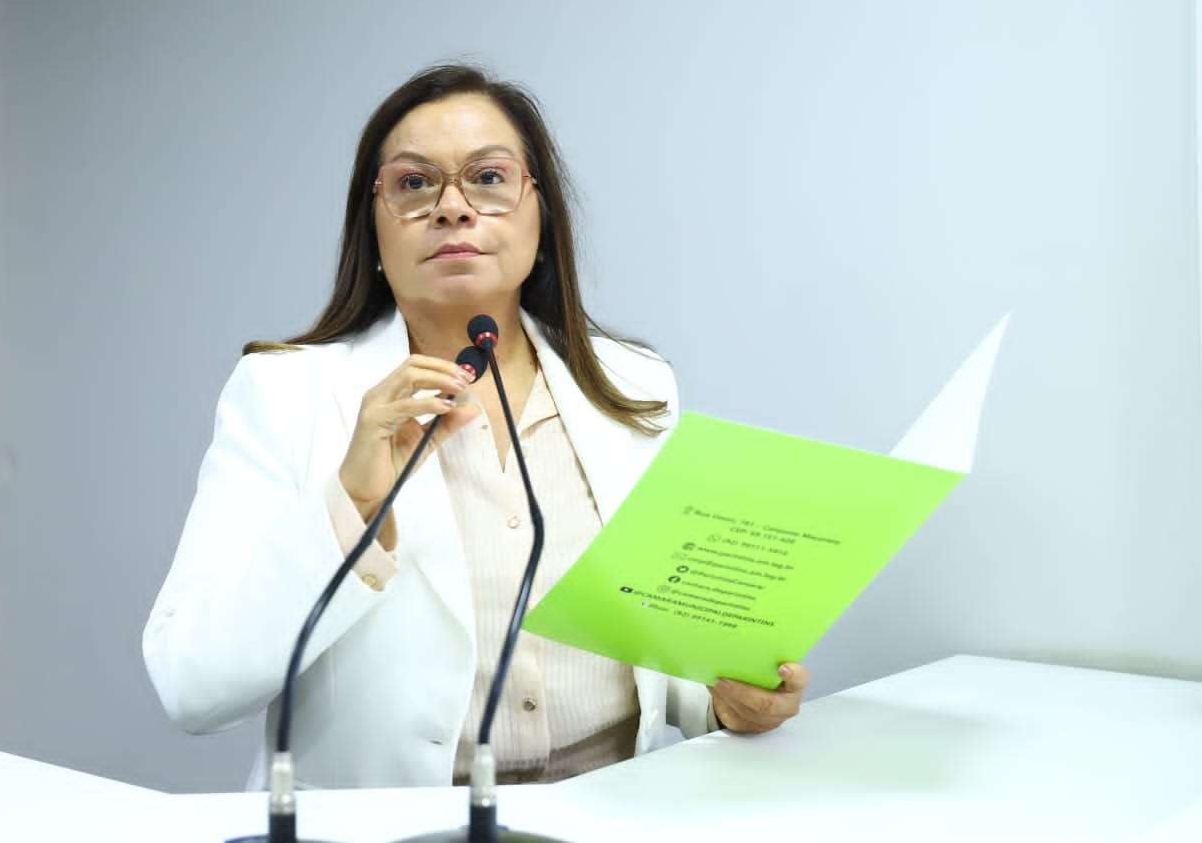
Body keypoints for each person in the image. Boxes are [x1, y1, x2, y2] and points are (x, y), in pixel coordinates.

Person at [143, 64, 808, 790]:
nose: (453, 207)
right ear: (374, 225)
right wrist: (350, 505)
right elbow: (190, 684)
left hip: (612, 813)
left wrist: (726, 699)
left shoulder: (633, 385)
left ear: (540, 212)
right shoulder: (287, 394)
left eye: (488, 178)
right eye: (414, 183)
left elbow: (663, 643)